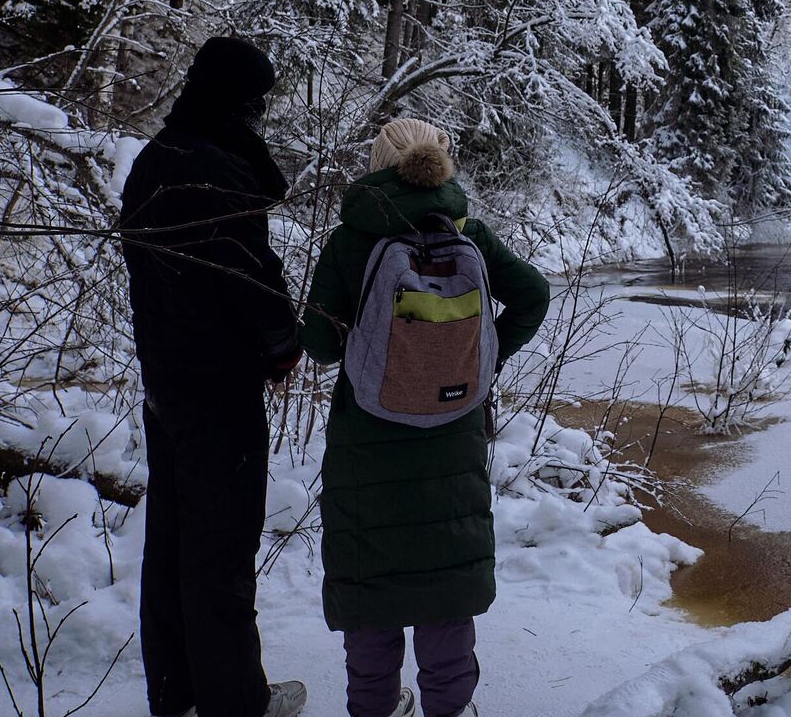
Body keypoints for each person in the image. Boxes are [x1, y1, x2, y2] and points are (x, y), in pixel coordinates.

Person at [302, 118, 550, 717]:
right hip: (453, 433)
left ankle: (374, 708)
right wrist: (477, 363)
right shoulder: (471, 235)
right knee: (445, 587)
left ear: (377, 167)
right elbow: (534, 295)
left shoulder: (349, 242)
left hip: (367, 439)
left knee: (371, 587)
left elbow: (319, 342)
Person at [118, 37, 308, 717]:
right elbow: (249, 278)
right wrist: (284, 348)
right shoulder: (215, 171)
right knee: (221, 552)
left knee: (171, 548)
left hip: (163, 386)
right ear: (239, 99)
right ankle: (235, 704)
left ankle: (176, 694)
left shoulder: (154, 161)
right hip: (218, 394)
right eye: (257, 100)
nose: (260, 114)